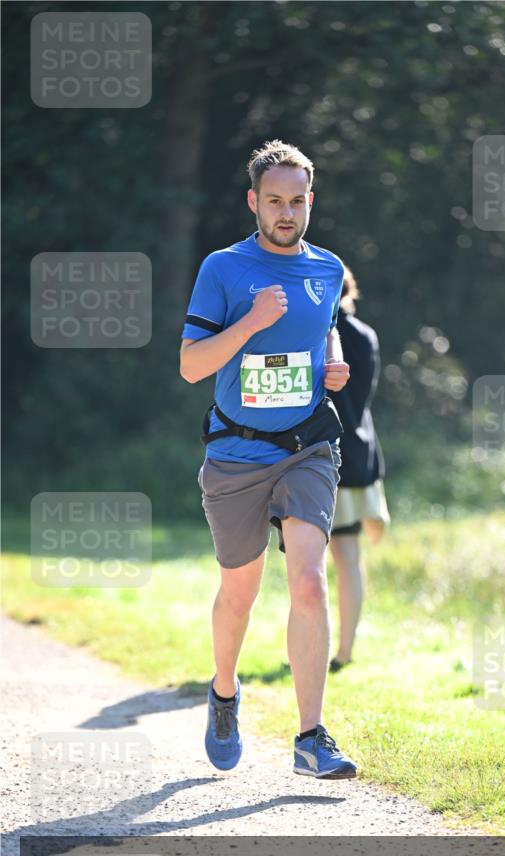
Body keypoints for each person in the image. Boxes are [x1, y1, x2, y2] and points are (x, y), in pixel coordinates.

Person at [179, 139, 358, 779]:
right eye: (275, 201)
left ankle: (310, 738)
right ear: (254, 201)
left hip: (309, 446)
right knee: (240, 591)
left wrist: (332, 362)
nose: (287, 212)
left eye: (298, 200)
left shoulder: (329, 267)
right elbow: (192, 365)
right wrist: (251, 323)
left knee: (309, 580)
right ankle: (224, 691)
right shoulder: (223, 269)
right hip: (235, 451)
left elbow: (322, 325)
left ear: (312, 201)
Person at [328, 265, 390, 672]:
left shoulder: (316, 335)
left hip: (321, 455)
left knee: (309, 563)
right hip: (361, 454)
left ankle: (309, 647)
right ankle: (345, 651)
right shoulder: (367, 336)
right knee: (350, 560)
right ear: (351, 293)